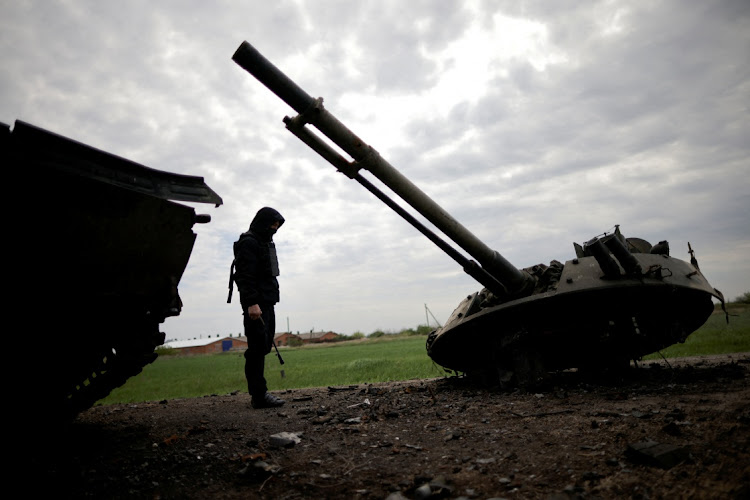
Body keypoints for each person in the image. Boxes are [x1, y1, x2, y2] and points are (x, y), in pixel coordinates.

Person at [233, 207, 286, 409]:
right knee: (256, 349)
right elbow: (244, 276)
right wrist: (251, 303)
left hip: (267, 301)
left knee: (263, 346)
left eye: (277, 226)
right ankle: (259, 395)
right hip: (257, 305)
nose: (275, 229)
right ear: (264, 222)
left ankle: (260, 394)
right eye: (273, 225)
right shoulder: (249, 242)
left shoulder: (264, 242)